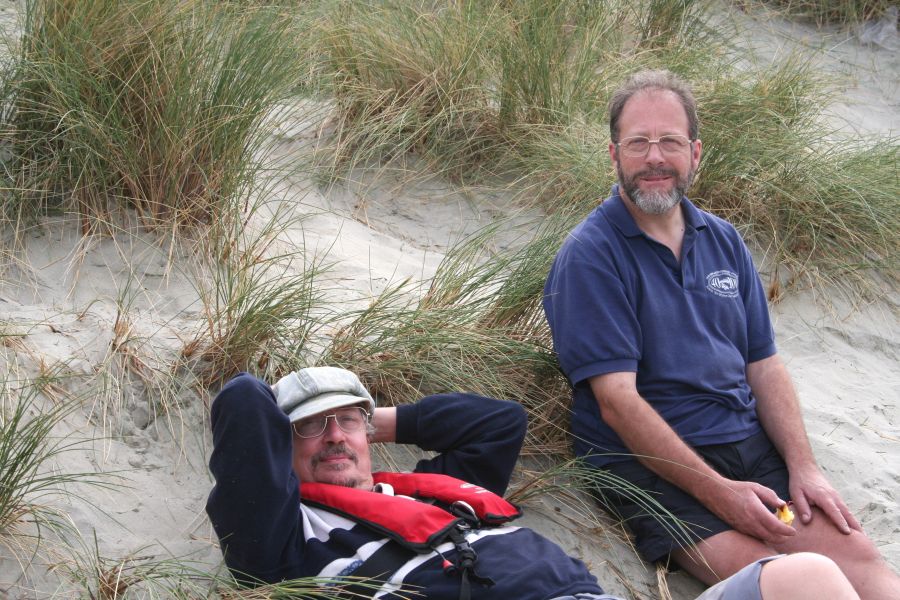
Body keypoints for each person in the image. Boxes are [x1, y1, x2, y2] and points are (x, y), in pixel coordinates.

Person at [542, 69, 900, 600]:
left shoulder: (723, 239)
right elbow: (617, 403)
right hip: (657, 469)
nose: (655, 157)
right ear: (614, 154)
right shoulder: (591, 256)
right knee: (799, 580)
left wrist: (804, 468)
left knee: (865, 565)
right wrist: (721, 494)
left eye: (670, 141)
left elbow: (764, 364)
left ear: (695, 153)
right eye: (638, 143)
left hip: (748, 447)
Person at [205, 367, 858, 600]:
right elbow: (242, 400)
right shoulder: (283, 534)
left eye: (348, 422)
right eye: (310, 429)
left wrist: (365, 422)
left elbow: (499, 423)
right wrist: (305, 420)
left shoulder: (431, 490)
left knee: (810, 578)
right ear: (278, 447)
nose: (335, 437)